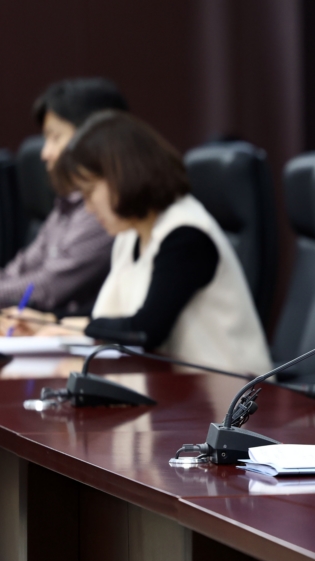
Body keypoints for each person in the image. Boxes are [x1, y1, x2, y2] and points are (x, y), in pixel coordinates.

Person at [50, 111, 271, 374]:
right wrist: (52, 321)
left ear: (122, 176)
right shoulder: (131, 233)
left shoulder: (186, 235)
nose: (87, 208)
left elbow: (144, 330)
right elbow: (118, 311)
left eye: (89, 193)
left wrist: (66, 327)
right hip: (177, 394)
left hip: (231, 399)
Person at [0, 78, 126, 316]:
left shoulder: (106, 206)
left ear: (94, 136)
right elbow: (21, 269)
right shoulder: (68, 203)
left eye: (55, 138)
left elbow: (50, 287)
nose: (45, 153)